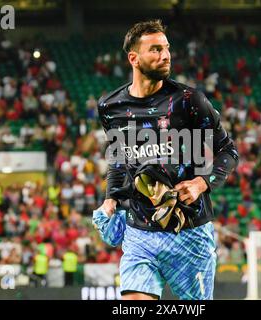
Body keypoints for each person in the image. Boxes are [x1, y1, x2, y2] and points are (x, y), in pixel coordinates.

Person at [97, 20, 238, 300]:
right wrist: (111, 197)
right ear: (133, 58)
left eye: (167, 48)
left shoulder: (188, 100)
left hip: (190, 233)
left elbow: (227, 151)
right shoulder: (110, 107)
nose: (165, 55)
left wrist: (201, 183)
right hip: (140, 234)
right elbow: (119, 159)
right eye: (156, 49)